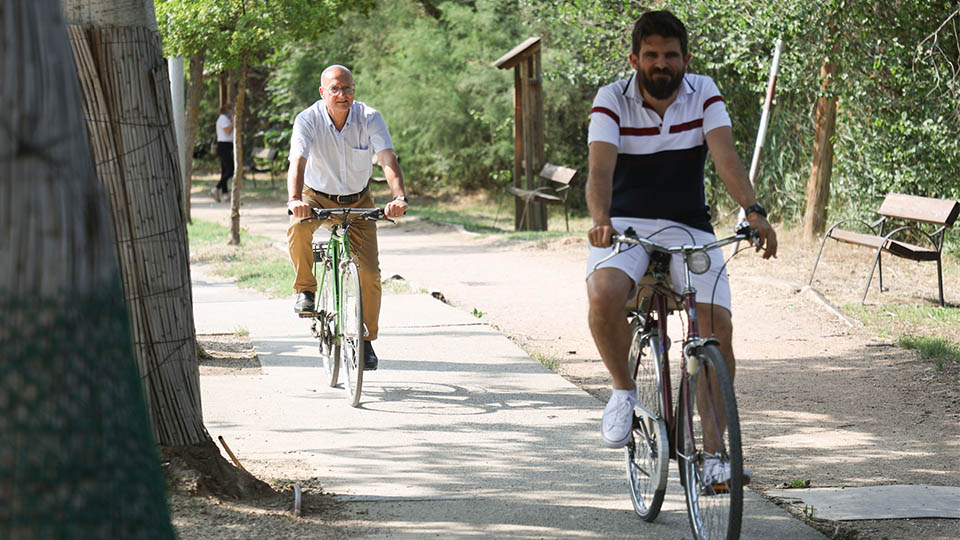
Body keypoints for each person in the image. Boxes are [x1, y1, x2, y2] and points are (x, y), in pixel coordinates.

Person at [585, 10, 777, 486]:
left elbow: (726, 156)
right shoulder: (611, 99)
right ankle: (623, 393)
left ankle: (716, 455)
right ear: (635, 59)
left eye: (671, 55)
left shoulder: (704, 91)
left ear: (685, 59)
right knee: (603, 293)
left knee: (715, 325)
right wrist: (601, 221)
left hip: (688, 225)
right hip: (624, 224)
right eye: (651, 55)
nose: (661, 64)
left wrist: (754, 211)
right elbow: (599, 173)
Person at [286, 64, 408, 371]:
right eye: (335, 90)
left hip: (358, 200)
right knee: (297, 229)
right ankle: (306, 290)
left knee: (368, 273)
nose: (343, 95)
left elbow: (387, 159)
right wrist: (295, 199)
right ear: (322, 92)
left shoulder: (369, 117)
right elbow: (297, 161)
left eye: (348, 89)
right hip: (315, 196)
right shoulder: (308, 120)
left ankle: (365, 339)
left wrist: (398, 197)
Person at [212, 105, 234, 202]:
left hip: (227, 145)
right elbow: (228, 131)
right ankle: (217, 188)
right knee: (230, 170)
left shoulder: (225, 119)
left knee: (225, 170)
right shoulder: (223, 119)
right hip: (224, 145)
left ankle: (225, 193)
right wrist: (234, 121)